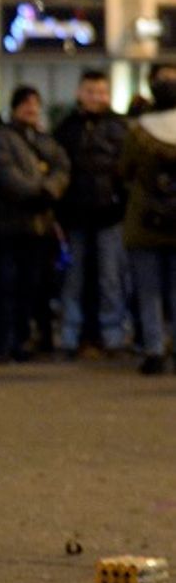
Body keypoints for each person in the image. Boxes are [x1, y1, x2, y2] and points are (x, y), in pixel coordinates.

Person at [0, 86, 71, 363]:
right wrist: (38, 192)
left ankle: (20, 340)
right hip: (6, 225)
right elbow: (5, 174)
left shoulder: (45, 140)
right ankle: (3, 344)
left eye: (35, 104)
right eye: (26, 104)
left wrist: (50, 190)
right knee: (5, 285)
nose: (31, 109)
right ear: (15, 107)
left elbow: (62, 168)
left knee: (29, 286)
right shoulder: (1, 138)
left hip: (37, 226)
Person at [53, 70, 130, 356]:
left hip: (110, 214)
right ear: (79, 93)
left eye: (101, 91)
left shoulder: (119, 127)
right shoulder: (67, 128)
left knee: (111, 278)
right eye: (91, 91)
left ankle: (112, 336)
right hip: (75, 215)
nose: (97, 97)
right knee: (74, 278)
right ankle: (72, 335)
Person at [118, 78, 176, 374]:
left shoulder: (139, 132)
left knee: (149, 290)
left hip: (144, 219)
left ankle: (154, 349)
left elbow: (124, 170)